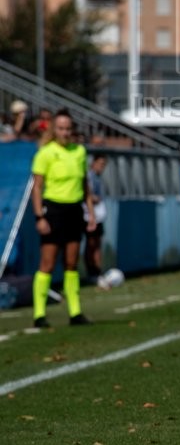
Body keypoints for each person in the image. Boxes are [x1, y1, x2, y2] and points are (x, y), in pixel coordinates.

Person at [31, 110, 95, 328]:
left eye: (68, 128)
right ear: (54, 129)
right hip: (54, 210)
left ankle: (75, 312)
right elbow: (37, 187)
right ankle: (39, 314)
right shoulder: (45, 153)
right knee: (47, 263)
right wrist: (39, 216)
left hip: (74, 211)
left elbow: (85, 185)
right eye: (61, 128)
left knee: (71, 262)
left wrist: (91, 213)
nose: (65, 132)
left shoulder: (79, 152)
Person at [83, 154, 108, 283]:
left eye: (104, 165)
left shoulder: (98, 178)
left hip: (97, 216)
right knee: (91, 244)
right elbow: (87, 194)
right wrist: (94, 199)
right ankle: (91, 272)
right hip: (90, 215)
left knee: (97, 243)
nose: (102, 167)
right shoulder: (89, 176)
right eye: (100, 164)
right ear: (93, 163)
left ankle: (97, 271)